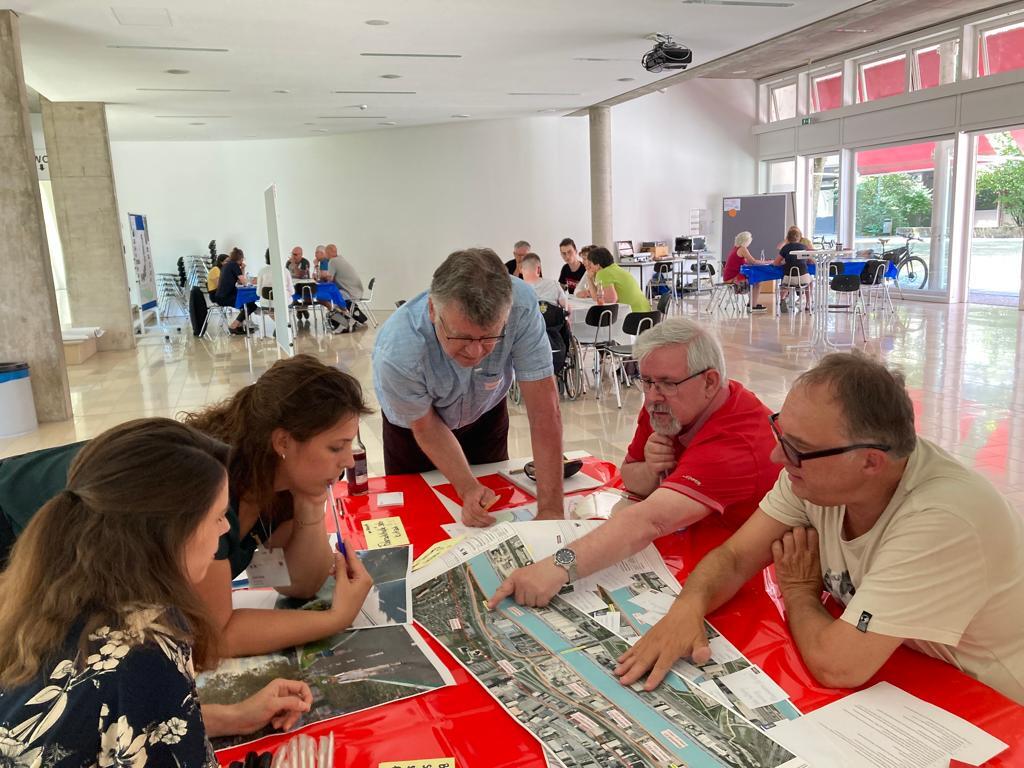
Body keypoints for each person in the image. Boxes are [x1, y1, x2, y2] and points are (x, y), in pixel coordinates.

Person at [614, 352, 1024, 704]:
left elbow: (838, 664)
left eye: (797, 449)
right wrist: (687, 608)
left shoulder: (942, 519)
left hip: (990, 700)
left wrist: (797, 592)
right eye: (780, 433)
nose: (777, 455)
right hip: (903, 665)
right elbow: (736, 556)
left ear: (869, 462)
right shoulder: (813, 474)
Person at [0, 355, 375, 658]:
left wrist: (310, 507)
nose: (348, 461)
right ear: (283, 442)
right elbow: (212, 636)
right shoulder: (211, 488)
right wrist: (335, 619)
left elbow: (298, 583)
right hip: (12, 532)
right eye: (335, 447)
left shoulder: (277, 479)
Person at [0, 419, 322, 766]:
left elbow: (130, 723)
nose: (226, 527)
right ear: (173, 535)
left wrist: (235, 716)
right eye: (216, 517)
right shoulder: (148, 646)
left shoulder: (59, 596)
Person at [489, 318, 780, 609]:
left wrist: (558, 566)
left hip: (747, 563)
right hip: (692, 535)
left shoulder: (736, 440)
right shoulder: (669, 402)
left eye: (667, 382)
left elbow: (650, 521)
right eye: (647, 381)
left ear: (710, 381)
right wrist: (652, 469)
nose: (652, 396)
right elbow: (631, 476)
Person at [373, 247, 564, 525]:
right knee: (421, 522)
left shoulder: (520, 305)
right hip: (416, 436)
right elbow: (425, 427)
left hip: (485, 416)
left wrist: (551, 510)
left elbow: (545, 410)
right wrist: (466, 486)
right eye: (461, 337)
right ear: (432, 311)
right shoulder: (398, 350)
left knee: (495, 514)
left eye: (489, 337)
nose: (475, 353)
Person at [589, 246, 651, 312]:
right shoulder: (616, 268)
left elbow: (611, 300)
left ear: (598, 265)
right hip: (646, 312)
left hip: (633, 315)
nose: (590, 266)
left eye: (590, 263)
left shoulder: (603, 273)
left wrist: (589, 279)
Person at [322, 243, 368, 333]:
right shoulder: (340, 259)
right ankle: (350, 317)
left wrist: (322, 278)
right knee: (334, 296)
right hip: (357, 291)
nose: (325, 255)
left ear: (328, 252)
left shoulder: (332, 261)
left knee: (329, 298)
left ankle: (346, 321)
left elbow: (329, 281)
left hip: (350, 293)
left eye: (325, 252)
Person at [214, 248, 258, 335]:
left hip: (221, 296)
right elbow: (244, 282)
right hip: (225, 297)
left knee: (248, 303)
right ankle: (234, 326)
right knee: (250, 305)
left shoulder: (227, 265)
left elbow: (239, 280)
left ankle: (239, 325)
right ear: (241, 258)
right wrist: (251, 282)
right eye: (243, 258)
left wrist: (242, 269)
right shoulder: (234, 265)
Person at [722, 232, 770, 312]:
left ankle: (751, 303)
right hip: (733, 281)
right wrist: (769, 262)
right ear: (746, 241)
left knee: (755, 280)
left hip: (729, 278)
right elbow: (753, 262)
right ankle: (752, 305)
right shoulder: (742, 249)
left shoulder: (735, 248)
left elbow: (746, 263)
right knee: (757, 282)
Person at [774, 226, 813, 313]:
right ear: (799, 237)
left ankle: (782, 299)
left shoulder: (785, 248)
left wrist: (784, 263)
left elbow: (776, 263)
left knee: (784, 282)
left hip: (789, 278)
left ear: (788, 237)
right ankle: (808, 303)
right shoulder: (804, 247)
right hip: (803, 278)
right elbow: (811, 261)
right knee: (810, 282)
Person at [256, 248, 295, 319]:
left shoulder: (262, 271)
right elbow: (292, 292)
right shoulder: (285, 271)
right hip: (284, 302)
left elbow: (258, 293)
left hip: (267, 304)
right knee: (286, 304)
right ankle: (282, 325)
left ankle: (278, 326)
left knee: (271, 308)